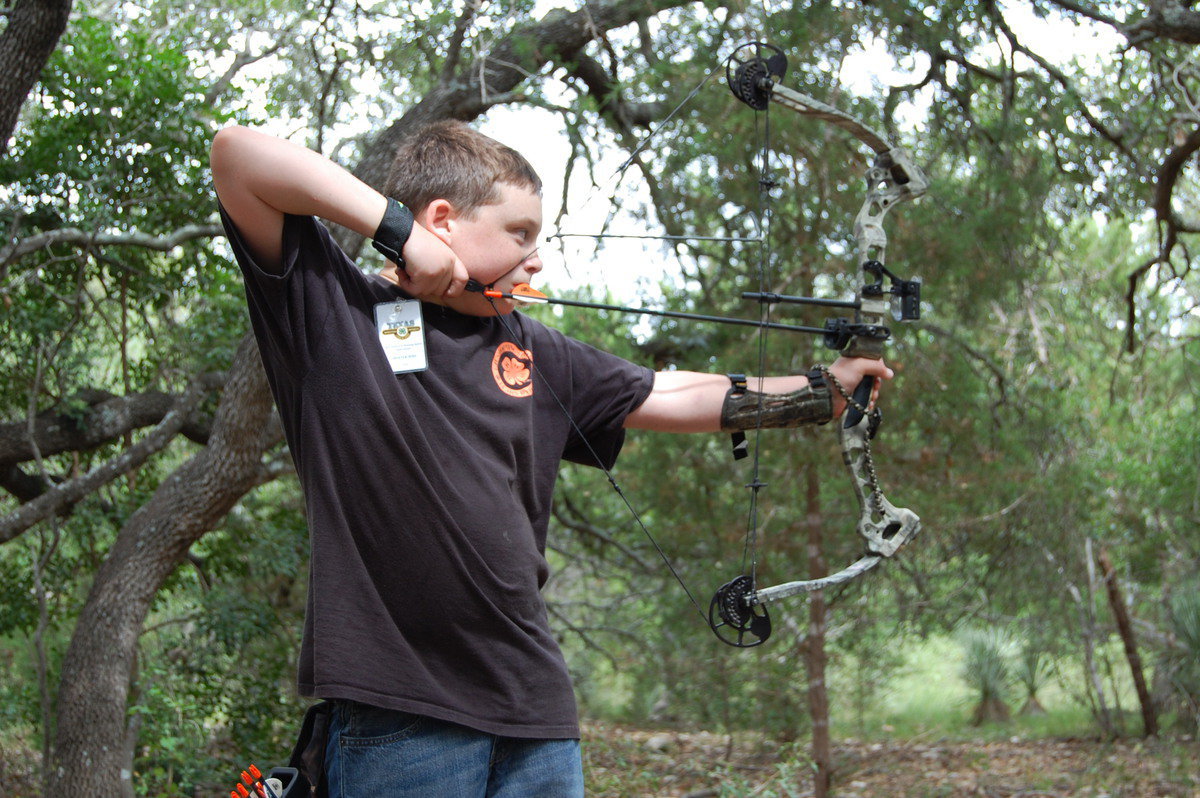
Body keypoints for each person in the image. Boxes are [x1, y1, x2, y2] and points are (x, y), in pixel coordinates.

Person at [209, 120, 892, 797]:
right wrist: (400, 233)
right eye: (519, 234)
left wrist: (820, 392)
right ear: (442, 219)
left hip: (535, 713)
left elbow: (671, 391)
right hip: (402, 713)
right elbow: (238, 156)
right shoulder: (332, 311)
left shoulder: (534, 350)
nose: (537, 260)